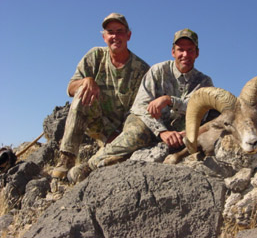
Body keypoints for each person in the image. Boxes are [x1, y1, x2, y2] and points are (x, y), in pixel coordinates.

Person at [68, 28, 213, 183]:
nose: (185, 55)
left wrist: (170, 100)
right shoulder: (158, 71)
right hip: (148, 123)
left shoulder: (204, 82)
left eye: (190, 50)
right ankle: (90, 165)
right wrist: (162, 131)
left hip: (178, 133)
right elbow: (140, 106)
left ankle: (119, 160)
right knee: (135, 134)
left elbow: (200, 110)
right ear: (173, 52)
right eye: (180, 50)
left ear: (197, 53)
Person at [52, 13, 150, 180]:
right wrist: (86, 81)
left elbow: (140, 110)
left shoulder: (142, 70)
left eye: (120, 31)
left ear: (128, 35)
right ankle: (66, 160)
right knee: (82, 90)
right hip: (98, 123)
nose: (115, 36)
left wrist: (119, 133)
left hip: (124, 129)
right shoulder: (95, 56)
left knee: (141, 130)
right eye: (110, 32)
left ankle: (92, 164)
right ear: (104, 37)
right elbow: (70, 89)